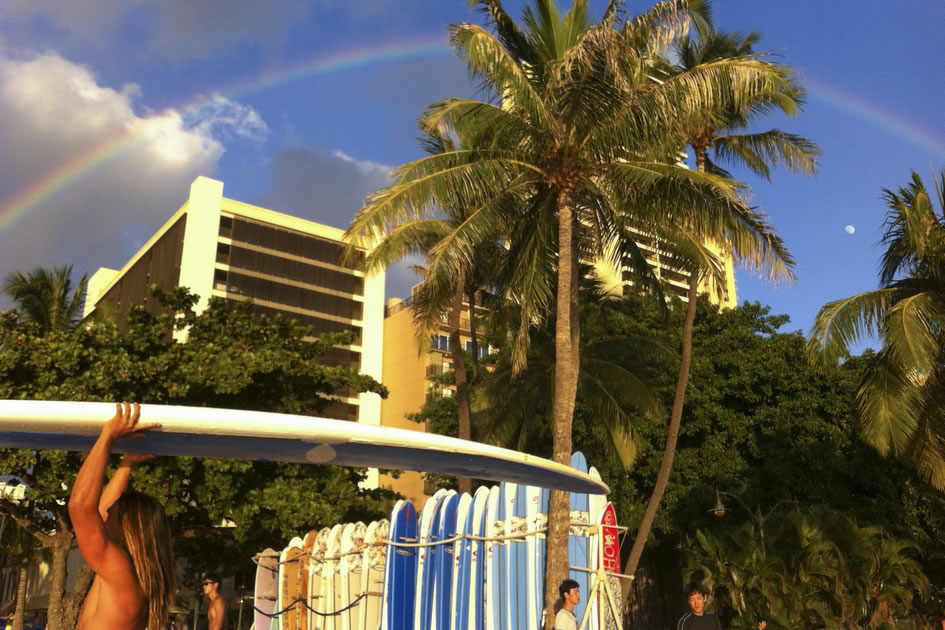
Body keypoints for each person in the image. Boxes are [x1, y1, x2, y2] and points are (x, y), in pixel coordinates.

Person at [68, 402, 176, 630]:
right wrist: (126, 465)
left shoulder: (120, 570)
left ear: (130, 530)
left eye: (113, 516)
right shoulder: (134, 572)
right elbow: (96, 512)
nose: (105, 518)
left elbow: (80, 508)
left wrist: (108, 436)